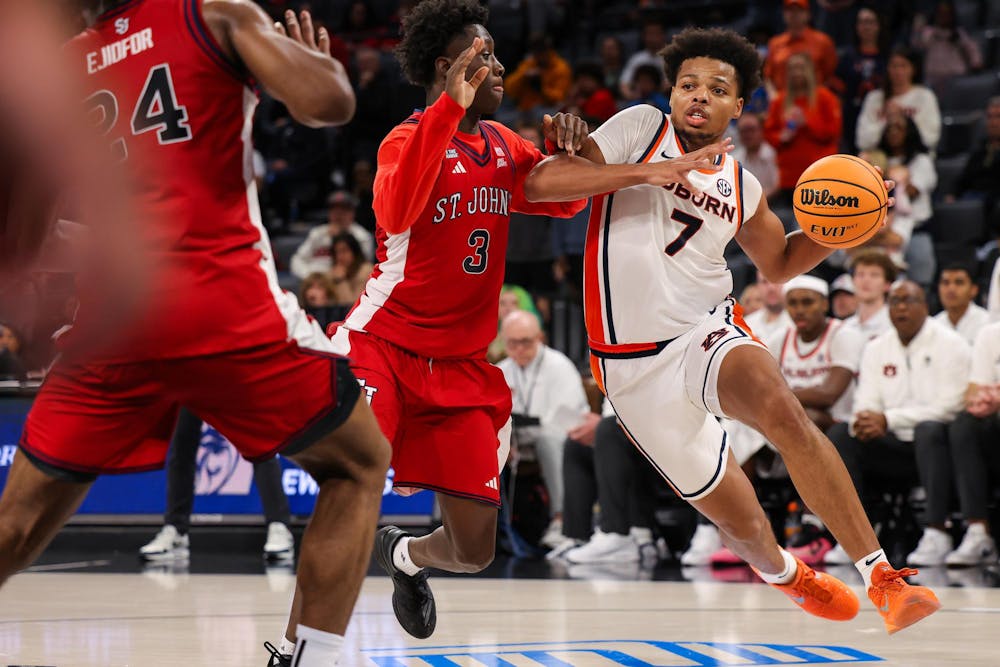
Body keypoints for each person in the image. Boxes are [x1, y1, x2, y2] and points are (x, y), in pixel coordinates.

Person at [0, 6, 393, 667]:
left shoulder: (62, 67)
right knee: (357, 461)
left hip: (112, 321)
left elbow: (22, 236)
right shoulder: (211, 11)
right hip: (221, 305)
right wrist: (319, 63)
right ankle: (312, 659)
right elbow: (331, 104)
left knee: (18, 519)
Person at [524, 26, 940, 633]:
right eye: (688, 84)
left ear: (739, 106)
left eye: (717, 88)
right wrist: (626, 166)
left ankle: (883, 579)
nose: (699, 96)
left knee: (784, 411)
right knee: (741, 523)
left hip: (705, 326)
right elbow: (546, 183)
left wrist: (853, 223)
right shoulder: (642, 128)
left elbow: (780, 262)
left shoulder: (741, 185)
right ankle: (786, 574)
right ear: (671, 93)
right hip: (630, 368)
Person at [326, 0, 587, 640]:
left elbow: (566, 200)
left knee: (474, 550)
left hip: (461, 366)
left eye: (497, 54)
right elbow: (395, 206)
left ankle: (406, 556)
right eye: (484, 57)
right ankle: (308, 647)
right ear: (449, 69)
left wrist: (572, 150)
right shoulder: (404, 139)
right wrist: (446, 108)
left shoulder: (502, 144)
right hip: (381, 345)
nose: (500, 68)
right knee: (354, 481)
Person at [827, 280, 970, 567]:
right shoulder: (876, 347)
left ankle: (936, 532)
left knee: (930, 429)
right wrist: (867, 419)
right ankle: (856, 536)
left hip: (935, 447)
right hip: (890, 442)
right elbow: (865, 400)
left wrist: (889, 418)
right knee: (842, 433)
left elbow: (951, 406)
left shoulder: (952, 344)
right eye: (895, 302)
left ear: (926, 307)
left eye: (909, 301)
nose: (901, 307)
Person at [139, 408, 295, 562]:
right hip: (195, 383)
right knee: (181, 440)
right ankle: (176, 532)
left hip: (237, 383)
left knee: (259, 441)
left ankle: (279, 526)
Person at [496, 310, 591, 550]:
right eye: (512, 343)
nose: (518, 349)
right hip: (516, 445)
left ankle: (563, 519)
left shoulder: (560, 366)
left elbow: (566, 419)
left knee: (549, 438)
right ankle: (483, 526)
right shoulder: (500, 371)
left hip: (559, 442)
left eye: (525, 342)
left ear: (540, 337)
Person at [945, 320, 1000, 566]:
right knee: (964, 424)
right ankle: (978, 531)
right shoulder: (990, 333)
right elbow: (973, 392)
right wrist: (985, 398)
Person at [763, 52, 842, 204]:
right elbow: (769, 133)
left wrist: (807, 122)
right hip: (788, 177)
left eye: (801, 67)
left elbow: (833, 133)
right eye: (792, 68)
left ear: (810, 71)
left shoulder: (825, 97)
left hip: (820, 175)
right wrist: (781, 137)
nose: (796, 72)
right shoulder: (779, 100)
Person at [856, 47, 940, 153]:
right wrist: (886, 120)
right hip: (880, 158)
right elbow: (862, 141)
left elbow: (930, 138)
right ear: (887, 68)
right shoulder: (874, 98)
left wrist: (903, 120)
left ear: (913, 69)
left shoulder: (925, 96)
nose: (898, 71)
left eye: (903, 66)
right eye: (894, 66)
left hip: (913, 157)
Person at [289, 190, 375, 279]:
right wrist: (310, 276)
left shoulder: (362, 236)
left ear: (352, 213)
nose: (339, 215)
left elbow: (363, 267)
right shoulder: (318, 233)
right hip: (317, 282)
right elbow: (297, 260)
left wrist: (340, 237)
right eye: (335, 210)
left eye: (343, 210)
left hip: (346, 282)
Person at [763, 0, 838, 94]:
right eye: (790, 10)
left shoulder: (823, 41)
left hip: (813, 102)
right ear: (783, 14)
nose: (794, 14)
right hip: (782, 103)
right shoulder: (774, 43)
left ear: (808, 14)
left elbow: (830, 76)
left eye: (799, 10)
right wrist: (774, 98)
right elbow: (768, 77)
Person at [911, 1, 983, 95]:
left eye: (947, 14)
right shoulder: (929, 32)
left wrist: (976, 63)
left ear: (952, 15)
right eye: (941, 13)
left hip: (955, 76)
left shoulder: (959, 33)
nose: (943, 17)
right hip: (933, 76)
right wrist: (918, 28)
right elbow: (917, 45)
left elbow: (972, 50)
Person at [504, 33, 572, 113]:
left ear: (549, 50)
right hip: (526, 110)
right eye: (537, 51)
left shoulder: (561, 68)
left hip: (549, 110)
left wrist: (541, 88)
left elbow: (559, 98)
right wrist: (524, 76)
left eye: (542, 51)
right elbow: (509, 88)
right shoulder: (529, 64)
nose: (540, 55)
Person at [843, 250, 896, 340]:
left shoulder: (894, 324)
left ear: (887, 284)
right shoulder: (844, 327)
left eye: (874, 275)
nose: (866, 280)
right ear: (852, 281)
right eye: (860, 274)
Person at [934, 263, 989, 345]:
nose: (951, 289)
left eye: (959, 282)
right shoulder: (934, 324)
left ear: (974, 289)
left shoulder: (987, 323)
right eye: (945, 283)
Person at [732, 114, 778, 202]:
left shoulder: (772, 155)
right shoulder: (734, 159)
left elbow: (776, 186)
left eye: (751, 130)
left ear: (761, 130)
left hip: (772, 204)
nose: (747, 135)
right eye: (743, 131)